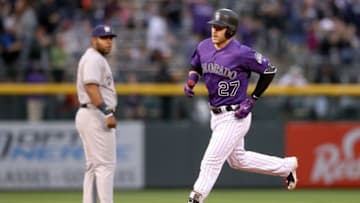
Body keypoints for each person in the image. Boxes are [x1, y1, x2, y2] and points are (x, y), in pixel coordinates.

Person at [184, 8, 298, 203]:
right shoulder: (204, 46)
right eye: (214, 26)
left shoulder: (241, 53)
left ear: (230, 31)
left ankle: (196, 198)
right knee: (238, 160)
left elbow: (269, 71)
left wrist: (252, 99)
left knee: (211, 160)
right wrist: (191, 81)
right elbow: (195, 66)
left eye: (220, 28)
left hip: (235, 115)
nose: (214, 31)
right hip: (216, 115)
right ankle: (286, 166)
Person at [75, 24, 117, 203]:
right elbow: (90, 86)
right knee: (105, 166)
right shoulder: (93, 58)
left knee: (93, 166)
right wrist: (107, 112)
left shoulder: (94, 58)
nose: (108, 42)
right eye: (104, 38)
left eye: (110, 39)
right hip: (95, 114)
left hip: (89, 113)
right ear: (94, 40)